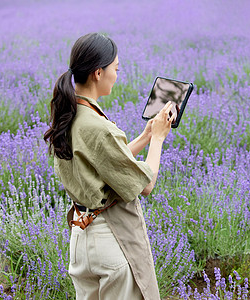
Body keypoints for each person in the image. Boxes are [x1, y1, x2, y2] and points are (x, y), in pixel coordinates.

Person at [44, 32, 173, 300]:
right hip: (111, 241)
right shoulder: (98, 126)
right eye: (116, 69)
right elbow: (145, 184)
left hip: (81, 241)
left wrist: (146, 136)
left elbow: (105, 159)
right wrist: (159, 139)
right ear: (98, 73)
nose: (117, 75)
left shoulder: (69, 115)